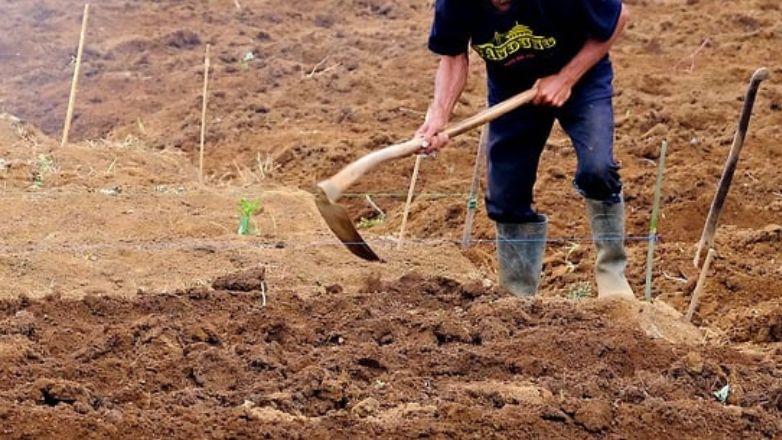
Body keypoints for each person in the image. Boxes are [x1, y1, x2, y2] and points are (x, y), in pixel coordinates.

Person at [418, 0, 635, 300]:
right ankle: (517, 297)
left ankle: (612, 275)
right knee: (506, 195)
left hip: (582, 77)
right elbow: (453, 56)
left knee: (597, 168)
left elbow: (618, 16)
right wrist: (440, 116)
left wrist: (565, 78)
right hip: (512, 89)